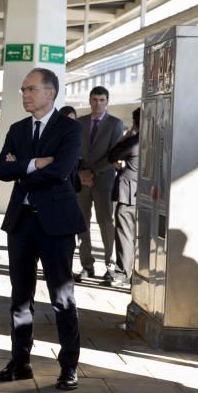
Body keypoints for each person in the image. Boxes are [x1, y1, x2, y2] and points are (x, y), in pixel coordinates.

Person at [0, 68, 85, 391]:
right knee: (20, 297)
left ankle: (69, 365)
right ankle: (20, 363)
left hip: (57, 224)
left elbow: (60, 171)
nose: (25, 95)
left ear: (50, 92)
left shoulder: (70, 129)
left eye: (31, 89)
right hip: (22, 221)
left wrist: (24, 167)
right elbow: (1, 169)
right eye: (23, 90)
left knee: (62, 297)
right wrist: (34, 163)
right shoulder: (18, 129)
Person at [75, 86, 124, 281]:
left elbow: (114, 154)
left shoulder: (115, 124)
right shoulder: (80, 123)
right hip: (82, 180)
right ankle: (87, 266)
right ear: (90, 100)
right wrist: (80, 173)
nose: (98, 104)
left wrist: (92, 172)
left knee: (105, 222)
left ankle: (110, 265)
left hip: (104, 180)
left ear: (107, 102)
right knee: (82, 223)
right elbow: (74, 150)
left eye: (102, 100)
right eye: (95, 99)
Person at [107, 107, 140, 288]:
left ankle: (122, 273)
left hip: (128, 195)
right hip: (147, 195)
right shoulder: (157, 140)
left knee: (124, 234)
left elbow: (112, 155)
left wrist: (127, 136)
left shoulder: (134, 141)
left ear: (135, 122)